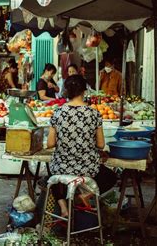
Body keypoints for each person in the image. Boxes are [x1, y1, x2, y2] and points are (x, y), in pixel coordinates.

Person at [47, 75, 117, 216]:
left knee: (53, 173)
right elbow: (101, 144)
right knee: (111, 177)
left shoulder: (57, 112)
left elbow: (50, 144)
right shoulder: (94, 113)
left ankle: (63, 207)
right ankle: (83, 197)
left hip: (62, 166)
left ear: (66, 91)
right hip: (88, 168)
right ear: (84, 91)